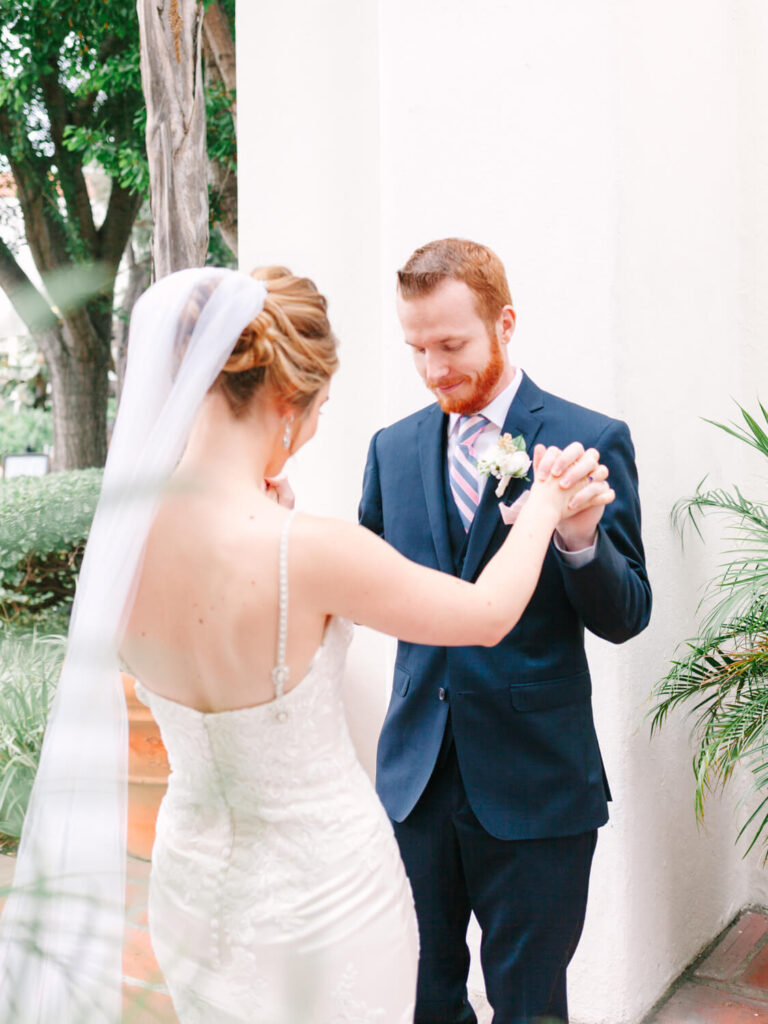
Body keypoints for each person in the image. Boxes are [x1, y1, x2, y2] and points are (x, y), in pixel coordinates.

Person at [0, 265, 611, 1024]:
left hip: (192, 887)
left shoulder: (118, 546)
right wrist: (547, 504)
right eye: (319, 411)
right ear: (287, 404)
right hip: (325, 896)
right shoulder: (311, 552)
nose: (316, 428)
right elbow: (486, 613)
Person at [359, 238, 652, 1024]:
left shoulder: (589, 438)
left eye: (451, 345)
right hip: (415, 780)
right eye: (416, 348)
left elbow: (625, 616)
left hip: (536, 784)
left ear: (505, 322)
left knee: (530, 1008)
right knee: (421, 999)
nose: (432, 369)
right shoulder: (390, 451)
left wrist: (579, 541)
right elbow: (369, 588)